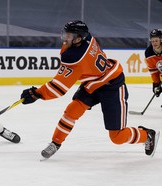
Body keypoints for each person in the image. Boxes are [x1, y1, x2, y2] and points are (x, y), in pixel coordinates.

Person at [20, 20, 160, 159]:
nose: (65, 39)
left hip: (112, 86)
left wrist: (36, 94)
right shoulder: (88, 38)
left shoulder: (76, 57)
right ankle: (56, 143)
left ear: (78, 39)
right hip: (92, 84)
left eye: (69, 36)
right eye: (65, 34)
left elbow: (58, 89)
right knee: (72, 111)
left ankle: (147, 135)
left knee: (117, 137)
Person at [144, 29, 162, 99]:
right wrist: (156, 83)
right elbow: (153, 70)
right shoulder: (149, 53)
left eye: (156, 40)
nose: (154, 43)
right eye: (152, 41)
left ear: (161, 40)